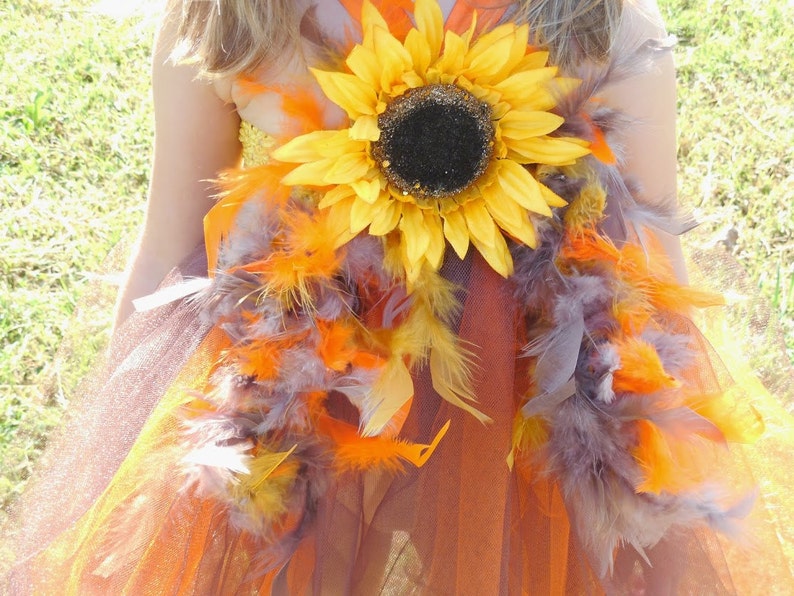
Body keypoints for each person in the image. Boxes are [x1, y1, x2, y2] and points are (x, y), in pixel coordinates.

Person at [3, 0, 792, 593]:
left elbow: (652, 258)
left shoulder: (594, 18)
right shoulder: (237, 15)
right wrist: (113, 447)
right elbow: (171, 239)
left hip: (525, 393)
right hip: (306, 386)